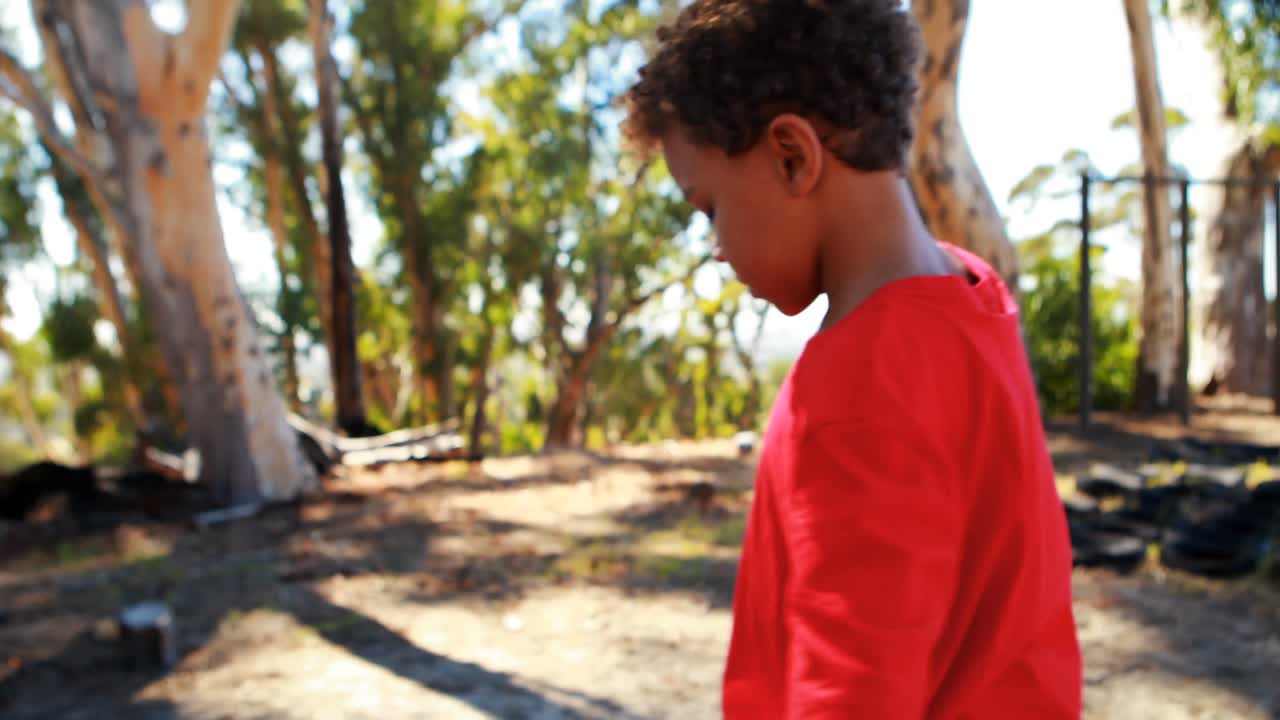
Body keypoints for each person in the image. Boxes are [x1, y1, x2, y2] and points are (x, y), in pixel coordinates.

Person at [619, 0, 1083, 717]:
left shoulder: (857, 391)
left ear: (792, 156)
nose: (715, 246)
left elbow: (852, 696)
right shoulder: (972, 296)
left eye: (709, 208)